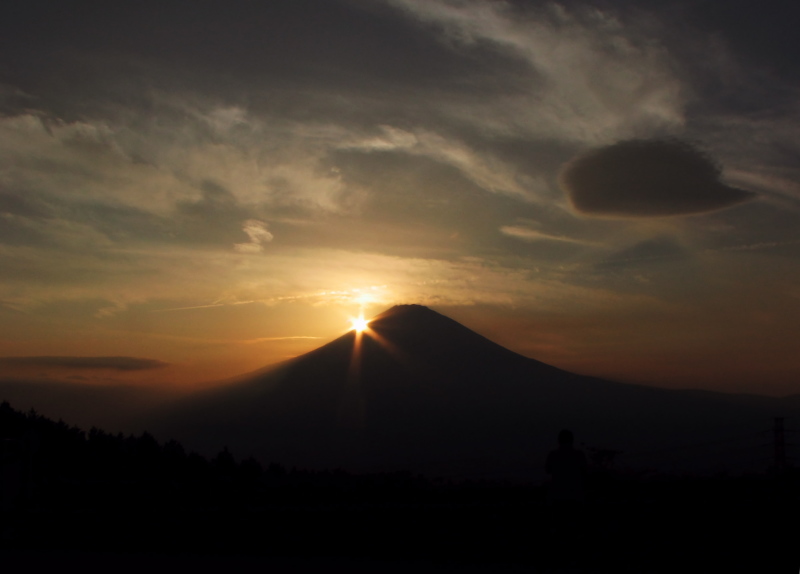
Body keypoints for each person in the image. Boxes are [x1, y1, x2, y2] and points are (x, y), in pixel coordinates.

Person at [545, 429, 588, 503]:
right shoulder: (579, 455)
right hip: (575, 493)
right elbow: (584, 471)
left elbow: (548, 470)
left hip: (557, 493)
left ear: (559, 440)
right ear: (572, 440)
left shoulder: (553, 455)